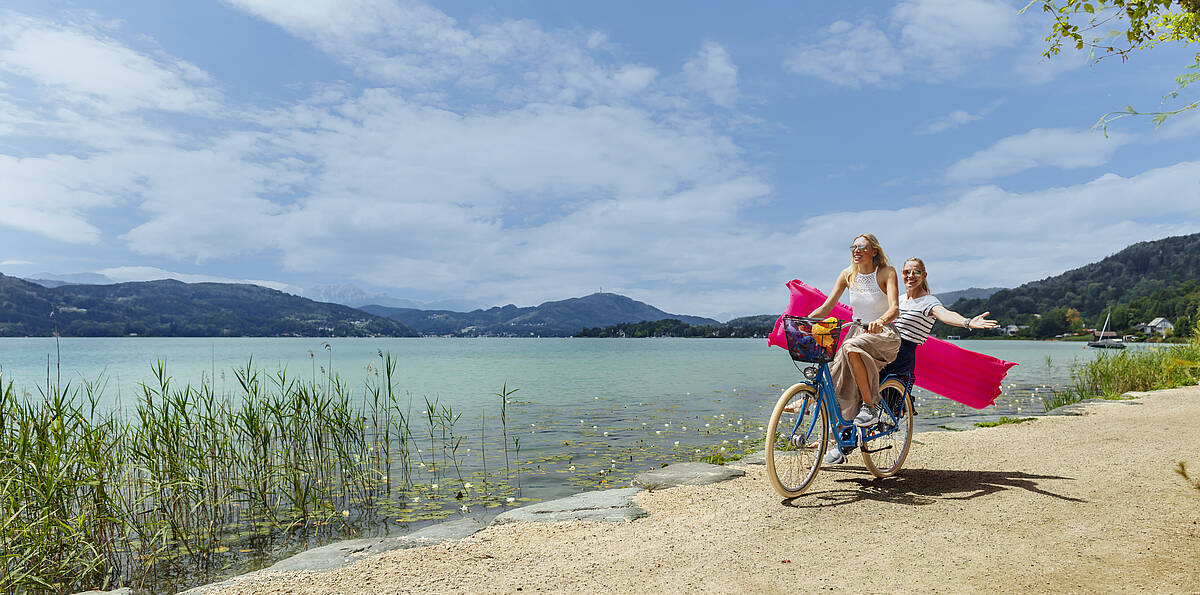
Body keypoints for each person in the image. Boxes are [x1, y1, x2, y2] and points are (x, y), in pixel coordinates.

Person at [807, 233, 900, 464]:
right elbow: (827, 307)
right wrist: (806, 320)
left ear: (874, 250)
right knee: (834, 376)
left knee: (849, 347)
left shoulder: (886, 272)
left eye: (862, 247)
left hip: (882, 334)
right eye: (853, 247)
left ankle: (870, 405)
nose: (856, 250)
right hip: (856, 332)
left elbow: (895, 309)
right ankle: (840, 440)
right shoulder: (848, 274)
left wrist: (881, 320)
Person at [880, 257, 999, 392]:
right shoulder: (899, 299)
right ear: (902, 274)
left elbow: (945, 314)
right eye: (907, 272)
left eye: (916, 272)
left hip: (902, 352)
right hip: (885, 345)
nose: (911, 276)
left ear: (924, 275)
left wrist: (968, 322)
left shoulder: (928, 301)